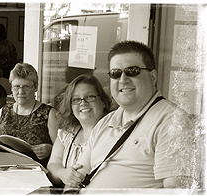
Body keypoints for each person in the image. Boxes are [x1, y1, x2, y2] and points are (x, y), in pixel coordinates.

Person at [67, 40, 198, 192]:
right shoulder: (105, 123)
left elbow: (177, 191)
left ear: (153, 77)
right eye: (115, 73)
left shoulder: (173, 122)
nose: (123, 80)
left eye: (132, 71)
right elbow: (74, 181)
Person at [47, 74, 112, 190]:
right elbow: (52, 165)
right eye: (76, 99)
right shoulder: (66, 133)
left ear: (103, 101)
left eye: (90, 96)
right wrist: (63, 174)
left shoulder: (113, 132)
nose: (83, 103)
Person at [0, 63, 58, 167]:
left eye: (26, 86)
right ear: (11, 88)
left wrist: (50, 149)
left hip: (32, 171)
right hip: (1, 168)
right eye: (16, 86)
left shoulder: (49, 114)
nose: (21, 91)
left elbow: (62, 152)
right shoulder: (4, 111)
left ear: (35, 87)